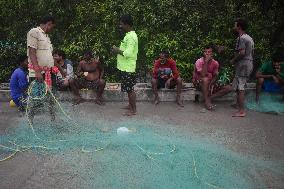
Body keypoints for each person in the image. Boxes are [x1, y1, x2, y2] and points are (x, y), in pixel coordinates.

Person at [210, 18, 254, 117]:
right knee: (237, 87)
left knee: (241, 87)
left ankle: (241, 111)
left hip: (243, 65)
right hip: (247, 64)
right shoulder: (249, 37)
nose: (233, 27)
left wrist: (233, 60)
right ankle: (238, 105)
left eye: (234, 25)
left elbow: (242, 53)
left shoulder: (241, 38)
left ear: (239, 27)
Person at [27, 15, 57, 122]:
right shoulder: (34, 32)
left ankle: (53, 120)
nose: (52, 29)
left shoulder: (47, 37)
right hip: (38, 73)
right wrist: (37, 71)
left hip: (49, 72)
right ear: (48, 23)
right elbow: (32, 52)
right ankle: (30, 122)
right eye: (52, 26)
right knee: (35, 98)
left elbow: (47, 55)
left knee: (52, 97)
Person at [111, 14, 138, 116]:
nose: (120, 26)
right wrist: (117, 50)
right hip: (125, 67)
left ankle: (133, 110)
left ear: (127, 24)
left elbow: (129, 53)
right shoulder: (129, 35)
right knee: (128, 88)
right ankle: (130, 105)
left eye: (121, 24)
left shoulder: (131, 37)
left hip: (128, 68)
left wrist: (117, 50)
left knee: (130, 89)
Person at [193, 45, 219, 110]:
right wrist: (206, 62)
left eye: (209, 52)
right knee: (205, 79)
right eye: (205, 52)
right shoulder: (199, 61)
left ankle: (208, 97)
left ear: (212, 53)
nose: (207, 53)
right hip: (200, 83)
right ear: (203, 53)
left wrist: (211, 84)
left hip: (210, 83)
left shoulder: (215, 63)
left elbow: (215, 76)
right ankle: (207, 101)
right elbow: (203, 75)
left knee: (229, 88)